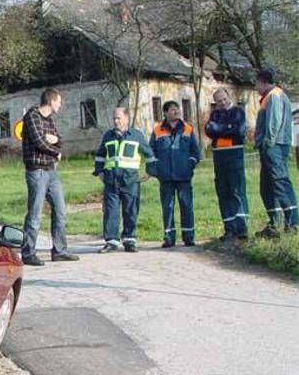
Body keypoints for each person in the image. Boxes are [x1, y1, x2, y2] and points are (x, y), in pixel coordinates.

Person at [20, 88, 79, 266]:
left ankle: (59, 250)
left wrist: (55, 141)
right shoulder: (32, 117)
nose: (60, 105)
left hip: (51, 171)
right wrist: (55, 151)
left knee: (60, 210)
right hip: (36, 171)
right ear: (51, 101)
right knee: (35, 213)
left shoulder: (49, 120)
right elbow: (39, 142)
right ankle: (28, 252)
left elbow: (60, 140)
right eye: (59, 101)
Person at [93, 107, 152, 253]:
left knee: (131, 210)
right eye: (114, 118)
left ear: (126, 118)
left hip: (130, 180)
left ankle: (129, 240)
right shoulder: (108, 135)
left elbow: (149, 154)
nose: (115, 121)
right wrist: (99, 171)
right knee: (110, 211)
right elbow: (100, 155)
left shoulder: (136, 135)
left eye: (118, 118)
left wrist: (150, 171)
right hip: (111, 180)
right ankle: (111, 241)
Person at [148, 101, 200, 247]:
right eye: (172, 109)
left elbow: (195, 151)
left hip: (184, 175)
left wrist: (190, 164)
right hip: (165, 177)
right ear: (165, 113)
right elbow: (150, 152)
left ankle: (188, 237)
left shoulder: (188, 129)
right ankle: (169, 237)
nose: (176, 112)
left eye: (177, 109)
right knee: (168, 207)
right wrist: (156, 169)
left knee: (186, 205)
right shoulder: (157, 131)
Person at [253, 69, 298, 237]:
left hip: (275, 146)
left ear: (262, 81)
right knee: (266, 186)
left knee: (280, 182)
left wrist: (267, 143)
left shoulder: (274, 96)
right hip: (271, 146)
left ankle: (293, 223)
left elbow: (274, 122)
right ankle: (275, 224)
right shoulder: (269, 97)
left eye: (256, 84)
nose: (256, 87)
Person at [204, 88, 249, 241]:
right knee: (223, 192)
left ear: (229, 97)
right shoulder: (215, 114)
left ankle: (242, 228)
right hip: (219, 156)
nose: (222, 103)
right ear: (215, 102)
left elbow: (239, 131)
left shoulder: (238, 112)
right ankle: (229, 228)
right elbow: (208, 130)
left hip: (234, 154)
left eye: (224, 99)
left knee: (237, 190)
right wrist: (227, 128)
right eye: (219, 101)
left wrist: (219, 129)